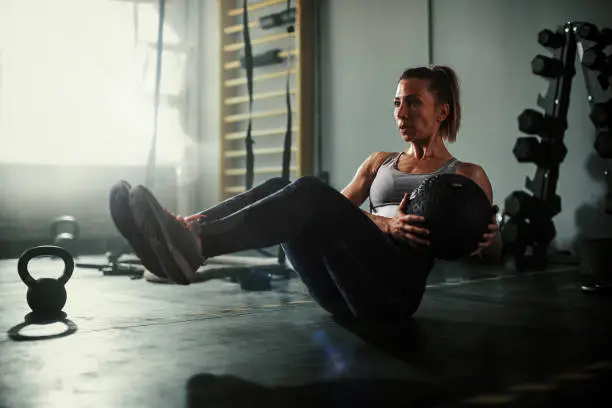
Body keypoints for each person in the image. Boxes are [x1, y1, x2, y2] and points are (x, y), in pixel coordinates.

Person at [109, 65, 498, 321]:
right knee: (289, 189)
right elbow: (335, 211)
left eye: (413, 103)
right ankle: (186, 232)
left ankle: (193, 244)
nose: (400, 113)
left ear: (442, 111)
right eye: (397, 103)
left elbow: (486, 249)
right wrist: (384, 223)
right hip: (336, 289)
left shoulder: (464, 175)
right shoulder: (379, 162)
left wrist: (488, 237)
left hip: (391, 295)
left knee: (309, 190)